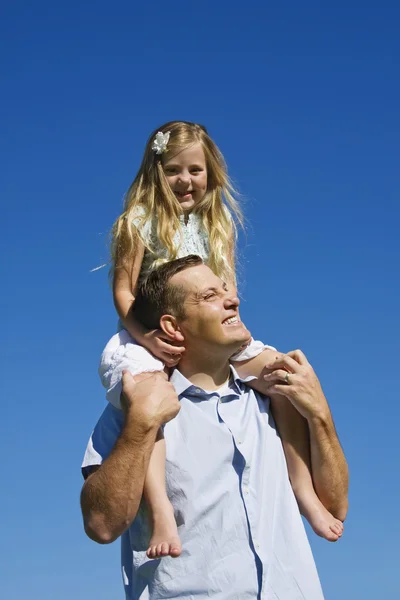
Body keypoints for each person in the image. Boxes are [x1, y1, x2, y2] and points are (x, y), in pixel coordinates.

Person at [101, 121, 343, 560]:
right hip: (150, 330)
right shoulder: (139, 221)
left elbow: (226, 289)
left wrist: (236, 333)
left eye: (195, 169)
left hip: (208, 329)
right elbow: (124, 293)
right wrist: (148, 338)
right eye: (173, 170)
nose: (185, 180)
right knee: (149, 403)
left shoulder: (218, 223)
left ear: (210, 172)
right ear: (156, 171)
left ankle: (302, 488)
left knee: (279, 373)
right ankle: (160, 511)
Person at [81, 256, 349, 600]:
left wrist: (320, 414)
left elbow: (335, 509)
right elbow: (102, 525)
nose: (233, 300)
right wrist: (139, 428)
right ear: (173, 327)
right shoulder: (132, 409)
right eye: (209, 296)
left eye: (226, 290)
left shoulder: (273, 401)